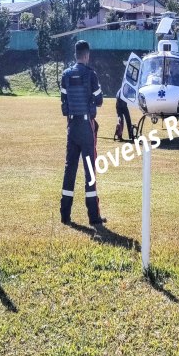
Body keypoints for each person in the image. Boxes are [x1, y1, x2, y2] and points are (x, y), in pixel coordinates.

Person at [60, 40, 105, 227]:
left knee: (69, 169)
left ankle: (65, 214)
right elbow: (100, 100)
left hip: (72, 127)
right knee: (90, 173)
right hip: (87, 129)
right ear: (87, 55)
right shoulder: (90, 75)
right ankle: (93, 217)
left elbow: (63, 102)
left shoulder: (65, 75)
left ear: (76, 55)